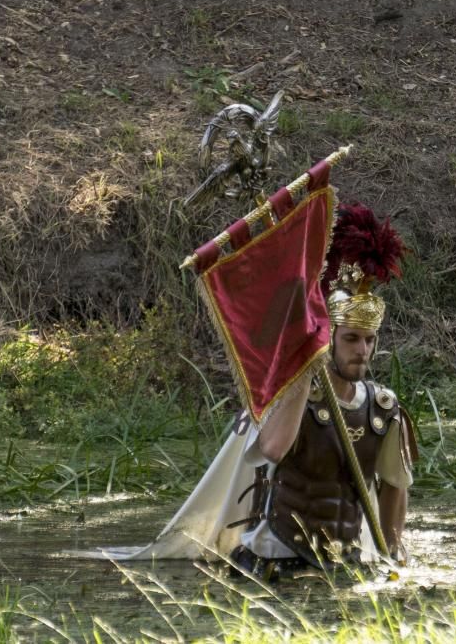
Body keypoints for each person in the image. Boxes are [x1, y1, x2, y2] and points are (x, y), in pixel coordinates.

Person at [77, 203, 415, 579]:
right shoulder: (294, 396)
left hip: (344, 562)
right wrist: (305, 362)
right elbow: (273, 448)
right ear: (329, 338)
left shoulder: (383, 411)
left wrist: (393, 553)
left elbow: (394, 488)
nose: (362, 351)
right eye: (351, 339)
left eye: (369, 340)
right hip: (278, 556)